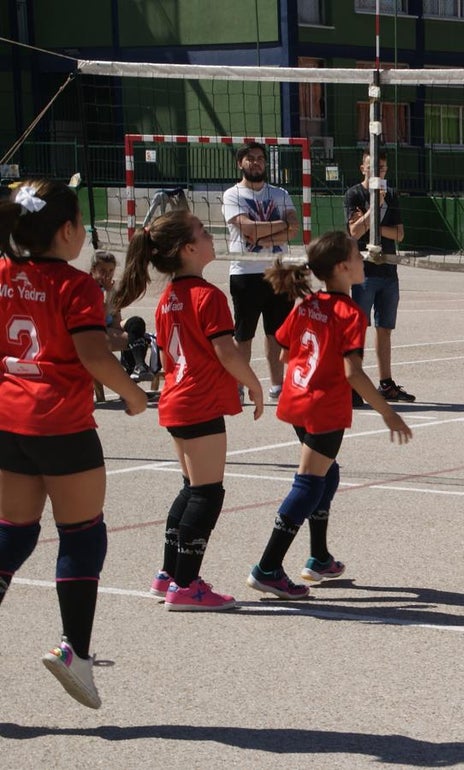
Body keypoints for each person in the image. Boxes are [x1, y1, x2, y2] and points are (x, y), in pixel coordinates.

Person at [0, 179, 148, 708]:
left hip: (9, 420)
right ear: (67, 231)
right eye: (82, 224)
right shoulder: (75, 286)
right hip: (60, 423)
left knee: (14, 534)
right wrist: (134, 395)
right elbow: (94, 354)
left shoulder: (4, 273)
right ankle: (75, 653)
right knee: (82, 534)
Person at [112, 210, 265, 611]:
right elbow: (226, 350)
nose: (211, 235)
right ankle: (186, 584)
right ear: (188, 248)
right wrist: (254, 384)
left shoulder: (168, 299)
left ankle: (168, 575)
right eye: (203, 231)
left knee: (191, 489)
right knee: (207, 493)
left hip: (176, 399)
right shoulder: (207, 296)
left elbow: (169, 357)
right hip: (198, 401)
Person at [247, 231, 412, 599]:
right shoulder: (349, 312)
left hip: (296, 402)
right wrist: (388, 414)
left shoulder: (306, 304)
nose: (363, 259)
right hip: (324, 408)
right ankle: (268, 567)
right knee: (308, 483)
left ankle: (318, 557)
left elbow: (285, 352)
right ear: (342, 267)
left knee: (327, 473)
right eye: (358, 254)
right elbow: (353, 373)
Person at [222, 141, 299, 401]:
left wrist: (267, 233)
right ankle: (238, 387)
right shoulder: (232, 195)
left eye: (260, 159)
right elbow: (249, 229)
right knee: (244, 335)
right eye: (250, 158)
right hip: (245, 272)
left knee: (276, 334)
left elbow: (294, 228)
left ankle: (278, 386)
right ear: (240, 163)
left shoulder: (280, 194)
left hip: (279, 271)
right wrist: (279, 227)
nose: (256, 163)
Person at [345, 151, 415, 404]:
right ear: (362, 168)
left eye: (382, 168)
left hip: (388, 270)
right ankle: (354, 382)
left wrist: (373, 221)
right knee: (357, 329)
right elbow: (354, 232)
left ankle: (386, 384)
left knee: (384, 328)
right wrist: (375, 208)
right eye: (372, 166)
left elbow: (399, 234)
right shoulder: (354, 194)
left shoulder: (392, 194)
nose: (378, 171)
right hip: (363, 272)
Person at [89, 251, 155, 384]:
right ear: (93, 270)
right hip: (93, 332)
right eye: (102, 270)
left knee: (136, 324)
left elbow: (116, 321)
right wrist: (108, 292)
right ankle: (132, 378)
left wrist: (131, 332)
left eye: (111, 270)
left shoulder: (110, 288)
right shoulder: (89, 287)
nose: (107, 274)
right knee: (135, 340)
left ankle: (139, 367)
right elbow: (100, 319)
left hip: (108, 328)